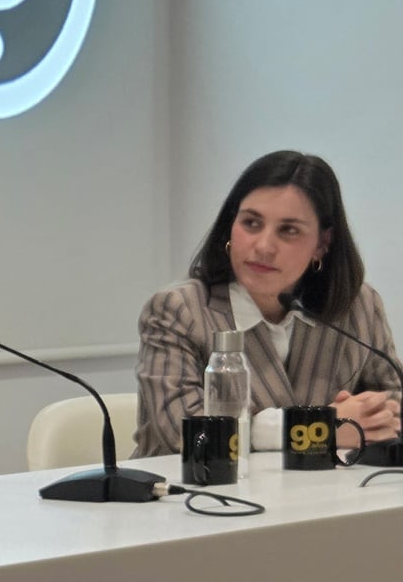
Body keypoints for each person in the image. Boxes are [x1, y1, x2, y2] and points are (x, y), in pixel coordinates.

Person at [134, 150, 401, 457]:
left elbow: (394, 406)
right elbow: (185, 433)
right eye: (251, 223)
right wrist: (322, 426)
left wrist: (375, 418)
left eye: (288, 230)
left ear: (322, 244)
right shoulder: (179, 310)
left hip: (322, 496)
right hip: (192, 497)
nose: (263, 246)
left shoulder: (359, 307)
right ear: (230, 228)